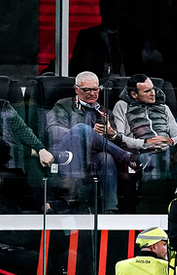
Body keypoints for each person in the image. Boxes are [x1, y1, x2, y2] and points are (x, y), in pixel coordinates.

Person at [47, 71, 141, 214]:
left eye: (95, 89)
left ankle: (110, 209)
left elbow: (114, 142)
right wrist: (87, 132)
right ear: (76, 89)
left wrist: (110, 135)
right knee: (81, 128)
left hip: (92, 156)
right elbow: (54, 132)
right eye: (87, 90)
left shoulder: (105, 113)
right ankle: (125, 157)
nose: (92, 93)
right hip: (68, 154)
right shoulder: (63, 105)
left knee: (107, 158)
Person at [113, 74, 177, 195]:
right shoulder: (122, 106)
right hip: (139, 152)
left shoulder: (164, 108)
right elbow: (119, 138)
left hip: (164, 151)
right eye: (147, 91)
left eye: (153, 89)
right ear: (134, 95)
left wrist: (169, 141)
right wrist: (146, 143)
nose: (153, 93)